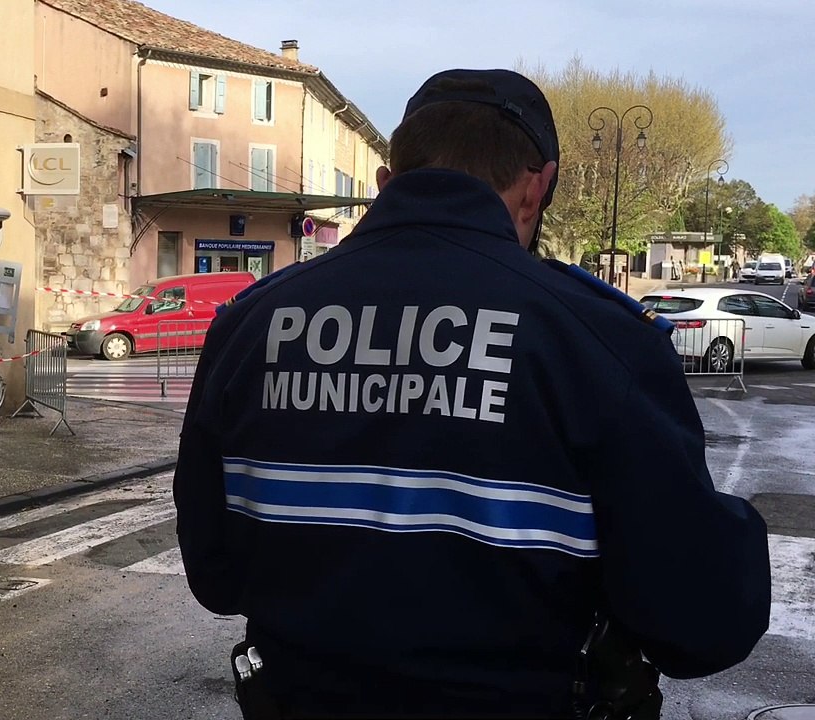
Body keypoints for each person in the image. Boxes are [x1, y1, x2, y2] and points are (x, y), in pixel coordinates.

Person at [173, 68, 771, 719]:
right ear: (535, 190)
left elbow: (216, 575)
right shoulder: (600, 339)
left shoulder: (250, 323)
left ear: (385, 185)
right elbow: (699, 623)